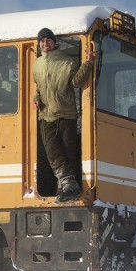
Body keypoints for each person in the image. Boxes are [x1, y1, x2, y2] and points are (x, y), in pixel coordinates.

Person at [32, 28, 95, 202]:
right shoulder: (36, 64)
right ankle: (68, 184)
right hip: (46, 115)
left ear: (54, 42)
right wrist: (36, 98)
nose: (45, 44)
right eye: (42, 41)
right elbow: (38, 87)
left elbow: (77, 82)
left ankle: (66, 188)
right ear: (39, 44)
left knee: (68, 151)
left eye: (48, 40)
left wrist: (88, 64)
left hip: (66, 113)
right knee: (52, 151)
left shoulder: (68, 62)